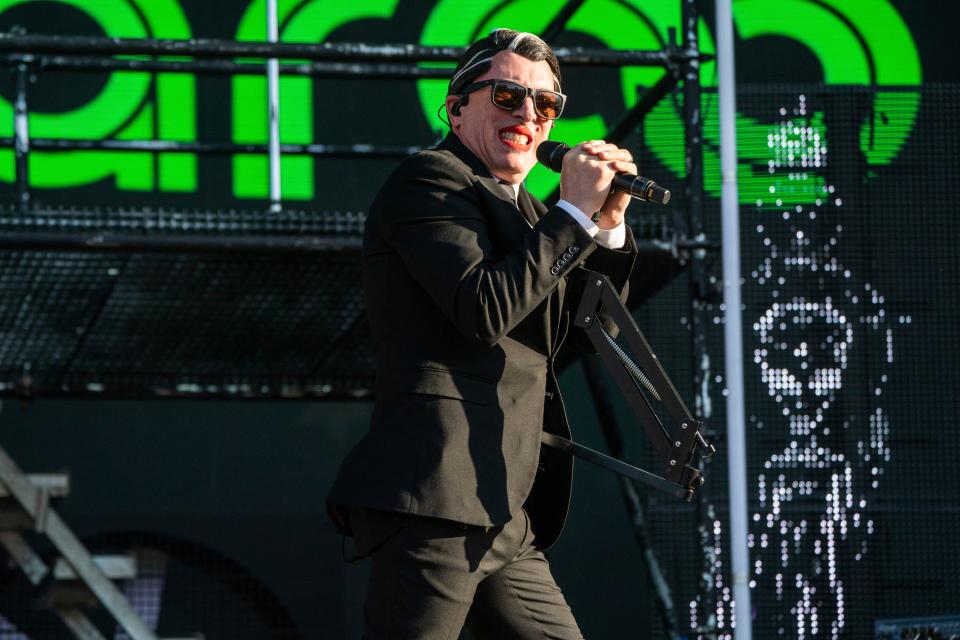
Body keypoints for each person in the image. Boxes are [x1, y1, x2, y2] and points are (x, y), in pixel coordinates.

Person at [328, 28, 640, 639]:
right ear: (456, 106)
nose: (528, 113)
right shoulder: (429, 181)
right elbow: (484, 308)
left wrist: (604, 228)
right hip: (437, 497)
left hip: (502, 500)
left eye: (546, 105)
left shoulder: (529, 215)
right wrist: (571, 214)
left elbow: (582, 334)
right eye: (506, 96)